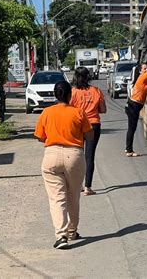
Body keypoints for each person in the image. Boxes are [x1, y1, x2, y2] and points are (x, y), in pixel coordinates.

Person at [34, 81, 93, 249]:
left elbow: (39, 136)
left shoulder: (46, 112)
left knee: (57, 198)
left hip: (51, 155)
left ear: (54, 95)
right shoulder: (78, 112)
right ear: (70, 95)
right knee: (73, 195)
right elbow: (89, 136)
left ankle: (61, 236)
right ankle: (72, 231)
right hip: (74, 155)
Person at [69, 67, 107, 196]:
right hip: (93, 125)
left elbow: (69, 109)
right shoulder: (96, 91)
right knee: (89, 157)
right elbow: (103, 110)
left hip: (78, 126)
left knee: (78, 156)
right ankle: (87, 187)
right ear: (88, 77)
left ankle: (78, 185)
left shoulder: (73, 92)